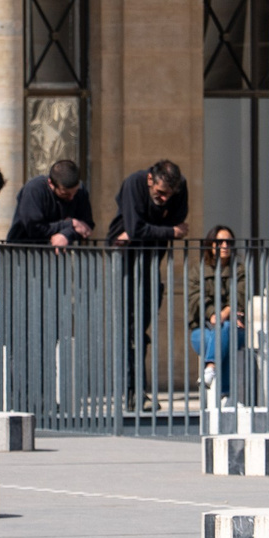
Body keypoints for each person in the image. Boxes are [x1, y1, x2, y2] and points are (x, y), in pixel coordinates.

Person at [109, 159, 188, 402]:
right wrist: (167, 231)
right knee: (127, 327)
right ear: (150, 180)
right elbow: (137, 229)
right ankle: (131, 388)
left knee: (142, 326)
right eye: (160, 193)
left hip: (152, 264)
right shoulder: (134, 182)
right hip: (126, 263)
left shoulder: (181, 187)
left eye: (169, 195)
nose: (165, 199)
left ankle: (137, 389)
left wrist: (144, 229)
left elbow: (179, 219)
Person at [189, 224, 246, 370]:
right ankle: (225, 392)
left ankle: (210, 367)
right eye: (220, 242)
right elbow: (195, 298)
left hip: (235, 328)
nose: (225, 246)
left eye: (229, 242)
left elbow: (239, 296)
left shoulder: (239, 270)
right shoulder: (198, 271)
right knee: (220, 341)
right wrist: (213, 314)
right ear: (211, 244)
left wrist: (223, 314)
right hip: (202, 328)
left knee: (226, 329)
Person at [7, 158, 95, 246]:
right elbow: (34, 229)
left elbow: (86, 226)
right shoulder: (34, 189)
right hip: (23, 251)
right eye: (65, 194)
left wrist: (66, 234)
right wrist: (71, 224)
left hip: (58, 253)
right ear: (51, 184)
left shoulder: (81, 190)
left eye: (74, 193)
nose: (71, 198)